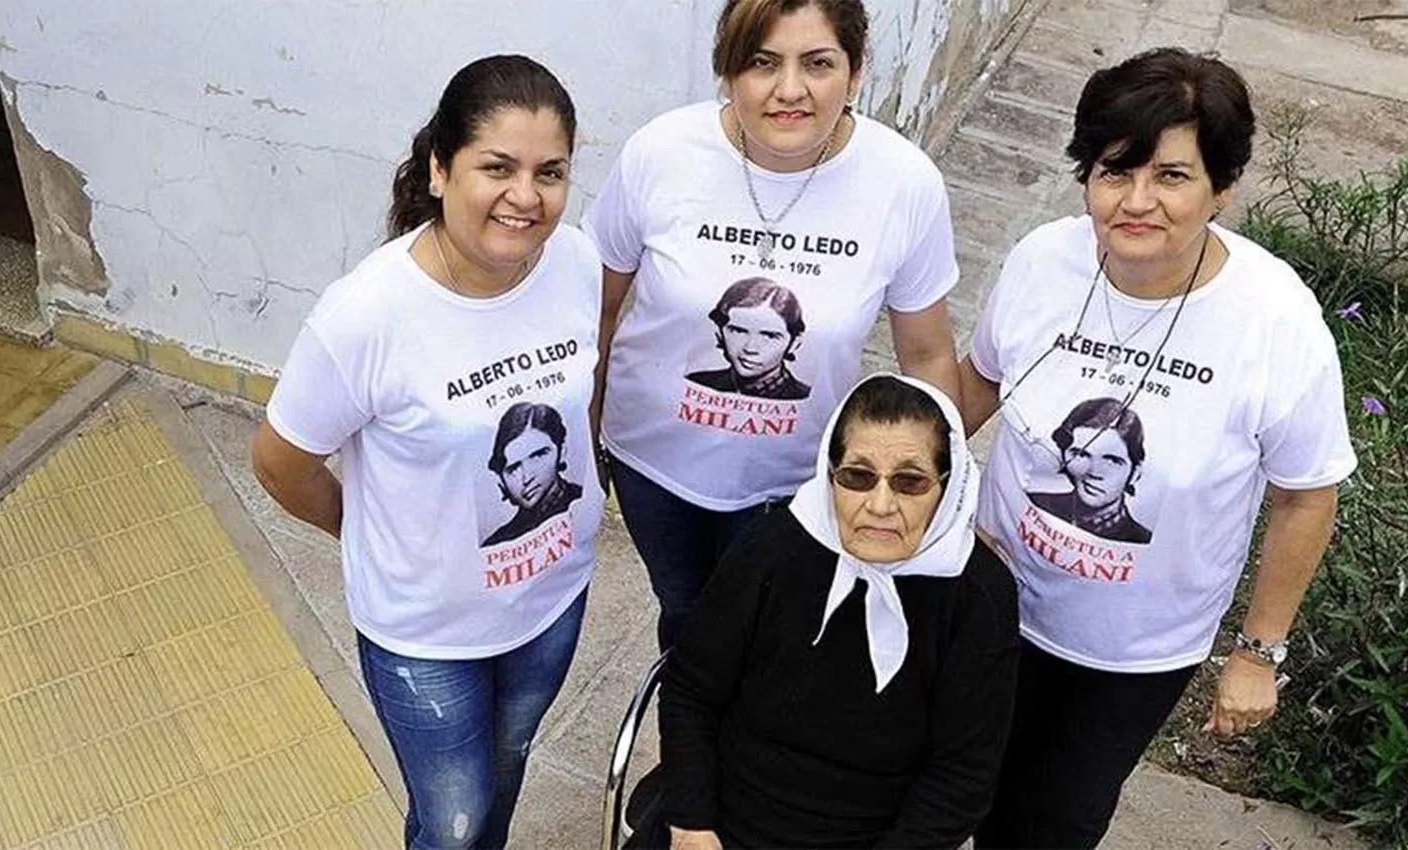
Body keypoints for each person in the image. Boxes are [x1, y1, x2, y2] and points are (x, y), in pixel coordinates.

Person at [951, 48, 1358, 849]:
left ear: (1223, 186)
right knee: (951, 786)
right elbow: (978, 385)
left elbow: (1307, 495)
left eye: (1171, 176)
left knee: (1050, 821)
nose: (1137, 201)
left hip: (1129, 652)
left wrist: (1257, 652)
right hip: (988, 599)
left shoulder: (1274, 321)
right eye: (1114, 172)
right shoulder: (1044, 261)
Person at [250, 56, 603, 850]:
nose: (527, 196)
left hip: (551, 600)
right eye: (498, 167)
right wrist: (369, 533)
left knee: (506, 769)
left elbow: (589, 390)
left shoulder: (576, 263)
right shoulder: (367, 316)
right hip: (425, 638)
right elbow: (279, 462)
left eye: (551, 172)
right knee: (452, 821)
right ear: (440, 169)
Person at [586, 0, 966, 649]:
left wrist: (937, 494)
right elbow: (599, 310)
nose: (789, 91)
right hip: (651, 468)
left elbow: (928, 356)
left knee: (774, 633)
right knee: (685, 611)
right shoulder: (663, 152)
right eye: (763, 63)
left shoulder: (903, 184)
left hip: (794, 485)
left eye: (817, 63)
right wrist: (583, 436)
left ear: (855, 70)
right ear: (727, 69)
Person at [633, 374, 1019, 849]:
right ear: (829, 473)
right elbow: (691, 689)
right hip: (724, 816)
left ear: (947, 484)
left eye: (910, 481)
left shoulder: (979, 596)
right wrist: (692, 824)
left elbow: (962, 775)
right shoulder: (774, 546)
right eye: (857, 476)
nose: (880, 505)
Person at [1024, 397, 1152, 544]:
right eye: (1081, 454)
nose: (1093, 472)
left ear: (1135, 473)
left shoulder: (1140, 541)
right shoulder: (1035, 502)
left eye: (1112, 461)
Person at [685, 276, 811, 400]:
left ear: (794, 343)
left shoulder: (805, 398)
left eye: (769, 336)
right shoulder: (697, 383)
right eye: (738, 331)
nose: (750, 348)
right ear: (719, 333)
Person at [483, 402, 585, 546]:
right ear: (501, 480)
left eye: (538, 456)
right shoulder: (498, 541)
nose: (527, 477)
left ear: (561, 452)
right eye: (513, 468)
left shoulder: (584, 501)